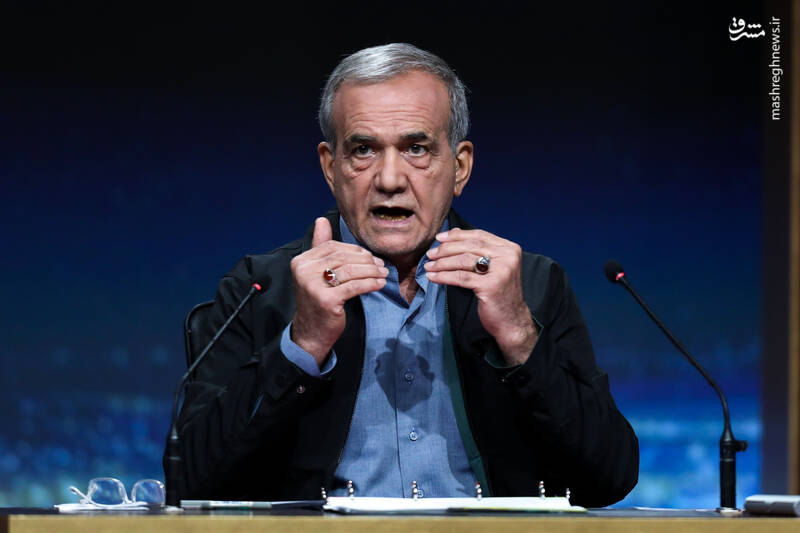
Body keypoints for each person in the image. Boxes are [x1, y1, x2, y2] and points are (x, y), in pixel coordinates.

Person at [169, 43, 638, 507]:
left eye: (416, 149)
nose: (390, 179)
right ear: (331, 167)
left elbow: (608, 478)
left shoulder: (528, 285)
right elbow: (191, 481)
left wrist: (518, 336)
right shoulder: (262, 288)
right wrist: (302, 345)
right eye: (364, 150)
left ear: (459, 167)